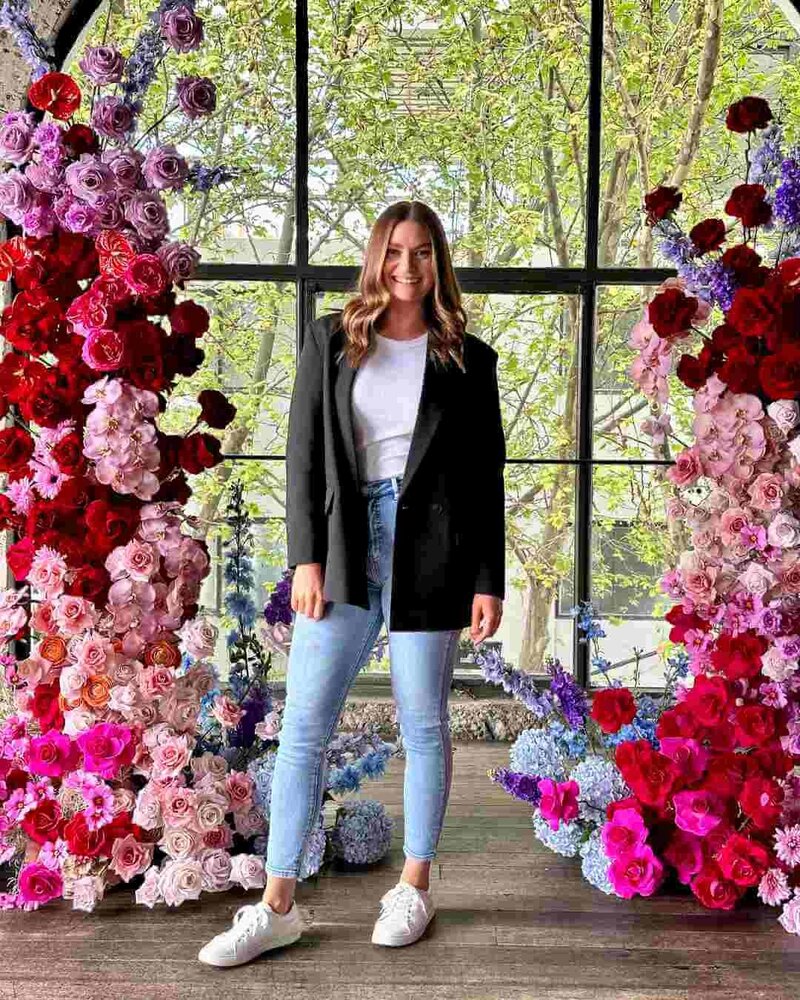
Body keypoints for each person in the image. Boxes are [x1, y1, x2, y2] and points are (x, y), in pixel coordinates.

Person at [199, 200, 506, 967]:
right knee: (304, 725)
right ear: (376, 257)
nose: (408, 266)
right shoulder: (331, 341)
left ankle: (413, 885)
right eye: (396, 250)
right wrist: (305, 558)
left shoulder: (470, 359)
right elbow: (302, 455)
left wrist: (487, 578)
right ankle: (276, 907)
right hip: (343, 547)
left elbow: (485, 481)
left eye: (423, 252)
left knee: (423, 724)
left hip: (432, 547)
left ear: (439, 262)